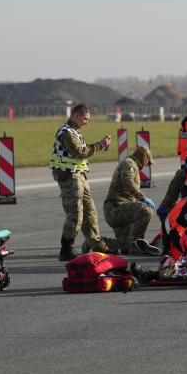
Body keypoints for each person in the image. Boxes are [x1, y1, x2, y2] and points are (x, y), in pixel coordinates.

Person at [50, 103, 114, 261]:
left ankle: (96, 243)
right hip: (70, 178)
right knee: (75, 215)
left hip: (79, 177)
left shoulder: (74, 132)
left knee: (90, 212)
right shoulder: (66, 133)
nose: (87, 122)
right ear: (76, 116)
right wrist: (101, 145)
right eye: (85, 119)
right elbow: (79, 152)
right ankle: (66, 247)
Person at [102, 145, 162, 256]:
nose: (147, 165)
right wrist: (142, 198)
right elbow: (127, 181)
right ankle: (137, 246)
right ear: (143, 157)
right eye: (147, 162)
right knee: (145, 211)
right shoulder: (129, 164)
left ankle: (96, 242)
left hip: (116, 210)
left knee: (125, 247)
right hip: (116, 208)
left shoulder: (131, 165)